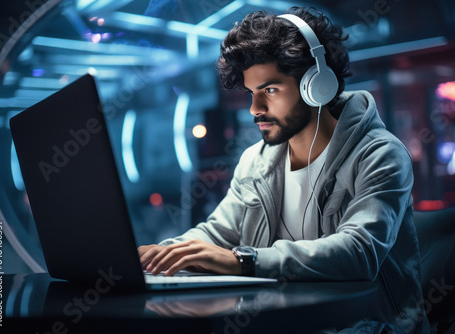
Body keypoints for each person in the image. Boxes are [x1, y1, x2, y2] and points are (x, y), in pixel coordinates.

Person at [139, 6, 429, 332]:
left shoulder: (380, 155)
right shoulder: (256, 161)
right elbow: (216, 234)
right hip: (283, 323)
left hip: (366, 325)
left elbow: (358, 252)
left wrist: (243, 261)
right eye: (251, 93)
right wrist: (160, 255)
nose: (255, 109)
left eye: (270, 90)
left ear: (317, 85)